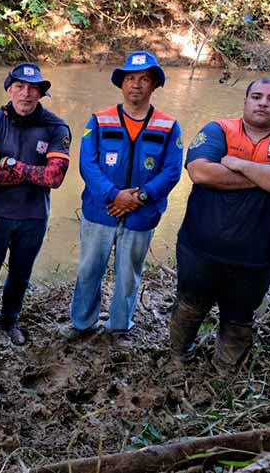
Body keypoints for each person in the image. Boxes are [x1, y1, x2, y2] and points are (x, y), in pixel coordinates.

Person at [169, 77, 270, 375]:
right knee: (189, 304)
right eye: (257, 96)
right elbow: (201, 172)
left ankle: (224, 373)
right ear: (246, 101)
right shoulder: (218, 130)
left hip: (257, 255)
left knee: (239, 317)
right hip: (200, 247)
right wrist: (268, 176)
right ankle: (177, 356)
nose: (263, 103)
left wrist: (239, 164)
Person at [63, 51, 183, 339]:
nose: (136, 85)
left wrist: (139, 197)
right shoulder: (99, 120)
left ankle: (119, 326)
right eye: (130, 78)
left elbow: (172, 171)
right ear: (121, 84)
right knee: (89, 269)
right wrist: (114, 195)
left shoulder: (168, 125)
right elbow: (87, 164)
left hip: (141, 215)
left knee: (129, 275)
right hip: (99, 210)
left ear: (154, 86)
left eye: (144, 79)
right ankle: (82, 323)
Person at [0, 62, 71, 346]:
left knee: (20, 276)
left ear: (41, 93)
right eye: (19, 87)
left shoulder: (55, 126)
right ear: (10, 90)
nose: (25, 94)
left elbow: (54, 178)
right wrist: (31, 174)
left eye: (33, 88)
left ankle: (9, 321)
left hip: (33, 218)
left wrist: (12, 164)